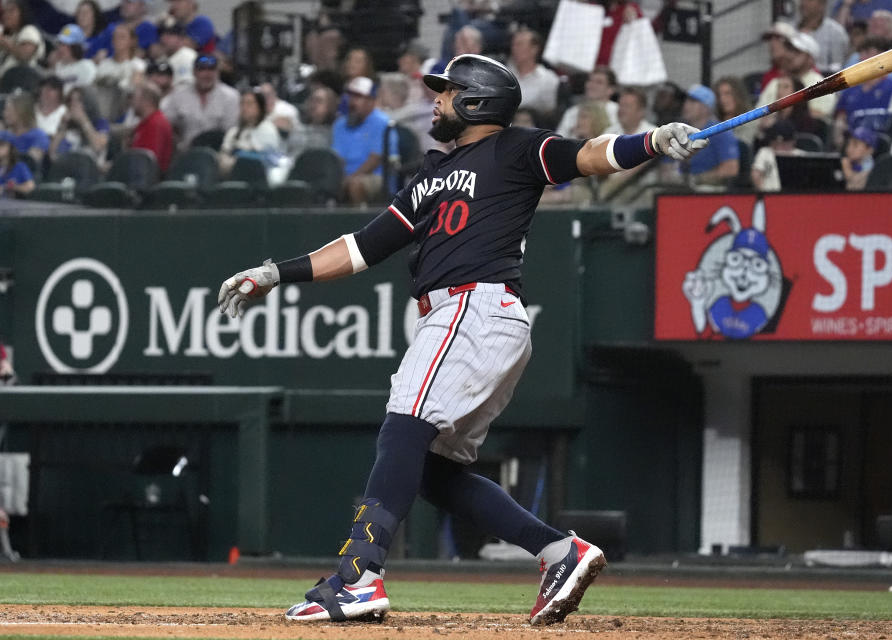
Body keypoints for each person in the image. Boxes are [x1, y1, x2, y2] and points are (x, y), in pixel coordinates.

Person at [217, 53, 706, 625]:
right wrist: (278, 272)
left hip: (473, 307)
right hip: (464, 317)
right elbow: (361, 247)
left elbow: (588, 154)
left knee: (402, 428)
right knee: (430, 471)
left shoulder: (516, 149)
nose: (436, 100)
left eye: (446, 92)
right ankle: (559, 551)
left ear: (476, 100)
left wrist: (650, 142)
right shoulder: (430, 176)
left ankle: (359, 576)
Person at [662, 84, 738, 189]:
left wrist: (697, 179)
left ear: (706, 107)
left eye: (693, 101)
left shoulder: (720, 131)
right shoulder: (676, 130)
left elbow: (730, 169)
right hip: (676, 189)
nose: (686, 105)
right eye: (686, 100)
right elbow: (665, 166)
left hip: (711, 191)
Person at [331, 76, 392, 204]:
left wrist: (350, 178)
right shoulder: (340, 124)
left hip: (377, 175)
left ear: (371, 101)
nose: (352, 101)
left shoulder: (382, 122)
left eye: (358, 97)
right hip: (345, 175)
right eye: (350, 96)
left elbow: (375, 159)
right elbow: (338, 158)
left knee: (355, 185)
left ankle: (360, 222)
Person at [162, 54, 240, 150]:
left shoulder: (231, 96)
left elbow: (231, 131)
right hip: (185, 152)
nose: (207, 74)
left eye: (211, 70)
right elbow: (166, 123)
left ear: (217, 72)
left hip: (218, 154)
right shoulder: (178, 94)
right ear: (194, 72)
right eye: (202, 69)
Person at [831, 37, 892, 147]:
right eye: (860, 53)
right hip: (852, 144)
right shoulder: (849, 90)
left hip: (881, 146)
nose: (862, 58)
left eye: (867, 52)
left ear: (882, 55)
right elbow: (840, 119)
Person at [218, 88, 282, 175]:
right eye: (242, 104)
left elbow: (267, 160)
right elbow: (224, 154)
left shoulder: (268, 130)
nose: (244, 108)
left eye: (249, 104)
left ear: (260, 107)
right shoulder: (233, 131)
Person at [507, 28, 560, 122]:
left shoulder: (548, 79)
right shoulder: (504, 74)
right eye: (513, 44)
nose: (514, 48)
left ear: (534, 49)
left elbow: (549, 112)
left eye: (519, 44)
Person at [49, 87, 110, 164]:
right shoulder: (67, 124)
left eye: (79, 100)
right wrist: (63, 125)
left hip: (89, 168)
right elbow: (52, 152)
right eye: (71, 100)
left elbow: (98, 146)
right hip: (65, 166)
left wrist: (83, 120)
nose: (73, 104)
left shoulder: (101, 123)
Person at [556, 67, 619, 138]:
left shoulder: (618, 112)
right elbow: (560, 139)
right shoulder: (573, 111)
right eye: (590, 81)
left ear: (610, 89)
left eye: (599, 82)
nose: (592, 85)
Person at [88, 0, 158, 60]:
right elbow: (92, 51)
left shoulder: (148, 29)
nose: (124, 5)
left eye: (129, 2)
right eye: (123, 1)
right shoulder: (111, 28)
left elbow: (139, 54)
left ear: (142, 7)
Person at [794, 0, 849, 73]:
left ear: (822, 4)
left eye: (809, 1)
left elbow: (838, 70)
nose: (803, 3)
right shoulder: (790, 29)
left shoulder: (836, 33)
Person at [130, 82, 174, 172]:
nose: (132, 103)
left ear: (146, 102)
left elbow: (148, 162)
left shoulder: (156, 124)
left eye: (135, 99)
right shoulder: (146, 123)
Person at [0, 92, 50, 167]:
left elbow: (32, 162)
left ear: (22, 112)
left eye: (9, 110)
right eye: (5, 110)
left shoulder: (38, 136)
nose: (5, 114)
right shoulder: (3, 135)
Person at [96, 22, 147, 94]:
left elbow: (135, 87)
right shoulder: (103, 64)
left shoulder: (138, 64)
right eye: (115, 37)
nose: (117, 40)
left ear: (132, 41)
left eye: (122, 37)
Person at [286, 85, 337, 155]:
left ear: (329, 106)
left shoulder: (334, 132)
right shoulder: (298, 128)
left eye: (319, 101)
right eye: (311, 100)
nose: (313, 104)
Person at [713, 76, 761, 146]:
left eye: (727, 94)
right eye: (719, 95)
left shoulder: (751, 121)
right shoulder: (714, 123)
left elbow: (743, 147)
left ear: (738, 95)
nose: (722, 99)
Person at [0, 0, 45, 76]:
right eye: (5, 12)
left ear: (22, 13)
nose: (6, 15)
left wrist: (2, 40)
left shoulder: (29, 30)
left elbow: (24, 55)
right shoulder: (10, 35)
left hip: (22, 82)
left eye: (11, 11)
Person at [751, 120, 797, 191]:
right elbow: (756, 174)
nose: (779, 148)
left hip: (795, 195)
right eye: (775, 144)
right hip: (769, 194)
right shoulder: (764, 152)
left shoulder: (800, 155)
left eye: (784, 145)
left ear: (793, 142)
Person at [52, 24, 97, 92]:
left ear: (76, 48)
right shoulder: (59, 66)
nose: (60, 48)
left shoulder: (87, 66)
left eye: (65, 45)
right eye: (60, 44)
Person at [158, 20, 197, 87]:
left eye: (169, 35)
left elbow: (187, 86)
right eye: (162, 34)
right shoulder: (162, 59)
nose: (164, 38)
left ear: (181, 38)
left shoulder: (187, 56)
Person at [840, 125, 876, 190]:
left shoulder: (870, 167)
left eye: (855, 145)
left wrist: (848, 171)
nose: (849, 149)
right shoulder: (850, 163)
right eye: (848, 144)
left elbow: (856, 188)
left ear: (869, 150)